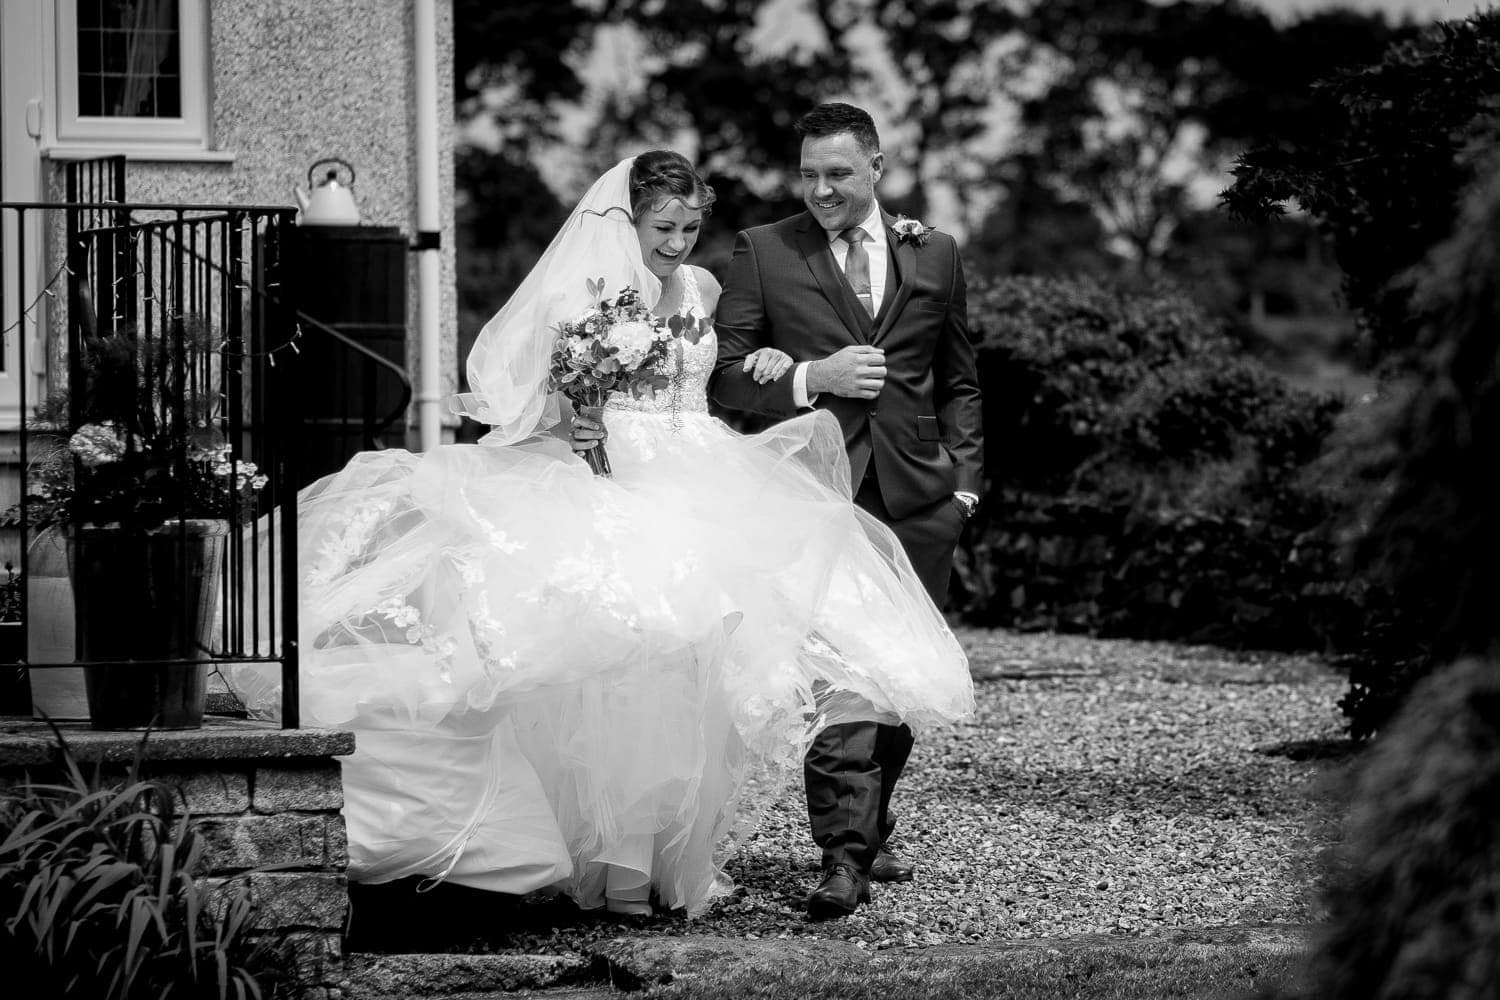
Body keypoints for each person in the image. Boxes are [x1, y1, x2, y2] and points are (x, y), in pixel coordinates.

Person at [232, 150, 974, 919]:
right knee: (639, 668)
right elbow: (537, 398)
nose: (678, 243)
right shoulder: (588, 292)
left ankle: (678, 857)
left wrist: (776, 363)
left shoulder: (705, 286)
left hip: (706, 473)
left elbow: (724, 368)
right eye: (663, 228)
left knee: (726, 664)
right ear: (629, 220)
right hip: (625, 479)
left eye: (690, 228)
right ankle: (617, 864)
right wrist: (574, 423)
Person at [710, 103, 984, 919]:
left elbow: (959, 376)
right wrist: (811, 378)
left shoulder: (935, 251)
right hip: (816, 497)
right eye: (808, 174)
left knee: (900, 678)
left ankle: (870, 823)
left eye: (838, 173)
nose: (821, 189)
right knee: (836, 677)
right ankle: (844, 855)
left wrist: (965, 484)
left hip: (920, 499)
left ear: (876, 168)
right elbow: (723, 374)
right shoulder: (764, 249)